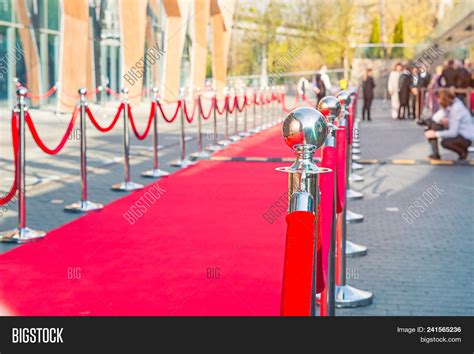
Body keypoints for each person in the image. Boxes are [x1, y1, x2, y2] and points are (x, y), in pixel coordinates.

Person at [424, 90, 474, 160]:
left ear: (444, 100)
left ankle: (462, 152)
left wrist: (435, 134)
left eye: (438, 100)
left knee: (445, 142)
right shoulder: (452, 104)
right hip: (460, 132)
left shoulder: (456, 109)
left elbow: (453, 132)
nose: (438, 102)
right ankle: (435, 154)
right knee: (434, 125)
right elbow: (435, 118)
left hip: (465, 136)